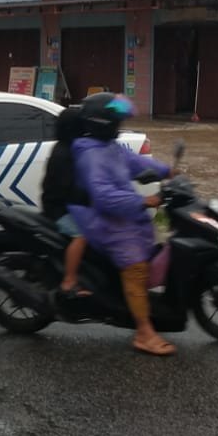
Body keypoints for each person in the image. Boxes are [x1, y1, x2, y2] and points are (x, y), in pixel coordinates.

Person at [70, 93, 174, 356]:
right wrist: (145, 201)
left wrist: (167, 171)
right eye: (116, 121)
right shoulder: (91, 155)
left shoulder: (109, 147)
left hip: (122, 215)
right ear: (102, 123)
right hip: (102, 220)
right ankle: (144, 333)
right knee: (136, 266)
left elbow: (137, 163)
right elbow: (104, 196)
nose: (119, 126)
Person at [40, 104, 88, 294]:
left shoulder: (69, 148)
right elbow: (68, 189)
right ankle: (69, 280)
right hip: (58, 209)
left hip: (67, 205)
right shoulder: (64, 154)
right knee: (82, 235)